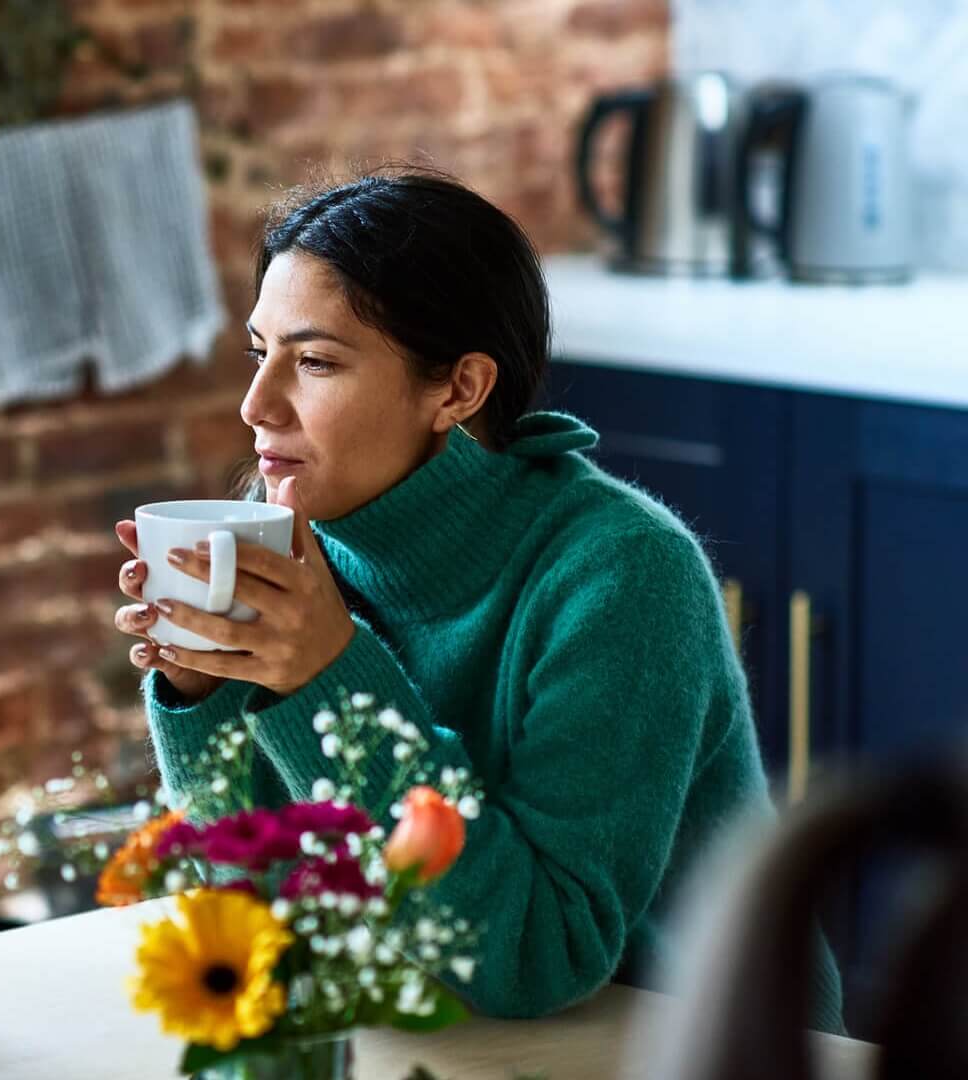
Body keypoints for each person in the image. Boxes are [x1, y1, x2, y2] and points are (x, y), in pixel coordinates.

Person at [113, 171, 843, 1032]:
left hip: (693, 1045)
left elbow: (539, 957)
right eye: (258, 351)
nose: (255, 404)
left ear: (458, 389)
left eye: (313, 361)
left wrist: (328, 673)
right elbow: (260, 912)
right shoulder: (297, 548)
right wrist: (201, 695)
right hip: (447, 1039)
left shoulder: (625, 576)